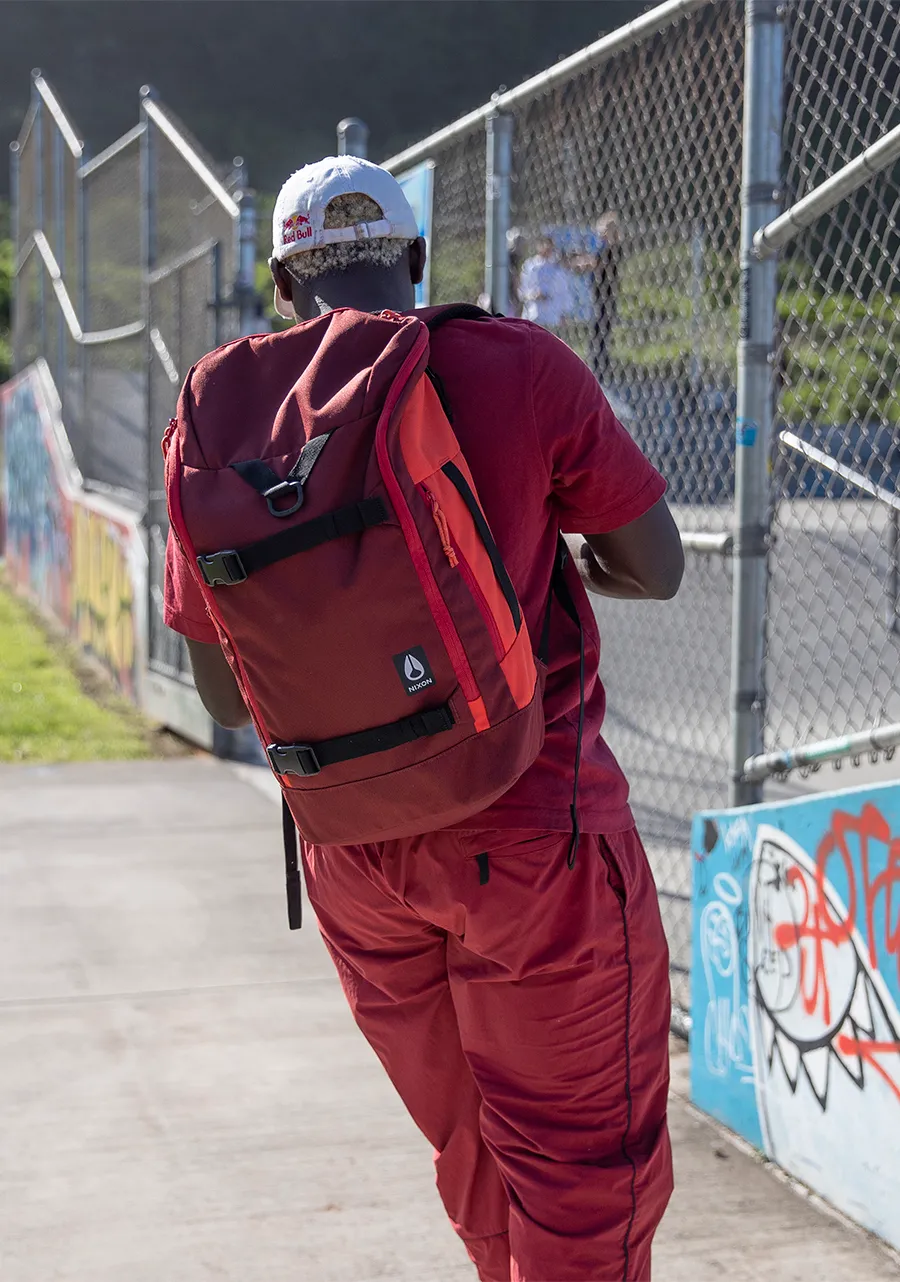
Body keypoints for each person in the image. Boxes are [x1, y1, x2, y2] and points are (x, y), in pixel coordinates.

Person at [164, 156, 684, 1282]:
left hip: (351, 854)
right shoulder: (513, 363)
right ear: (411, 260)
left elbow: (217, 691)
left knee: (478, 1159)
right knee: (584, 1174)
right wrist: (561, 559)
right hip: (532, 824)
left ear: (282, 277)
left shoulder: (216, 403)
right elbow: (660, 564)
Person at [569, 212, 622, 384]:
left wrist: (580, 261)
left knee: (600, 333)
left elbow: (595, 263)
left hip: (606, 296)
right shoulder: (605, 248)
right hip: (601, 295)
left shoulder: (612, 248)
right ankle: (597, 368)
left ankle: (599, 371)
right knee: (598, 332)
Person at [516, 235, 574, 331]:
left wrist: (564, 313)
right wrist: (533, 295)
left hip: (552, 318)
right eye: (543, 244)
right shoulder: (530, 265)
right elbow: (522, 291)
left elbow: (563, 292)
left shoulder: (557, 268)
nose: (546, 248)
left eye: (549, 245)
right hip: (533, 315)